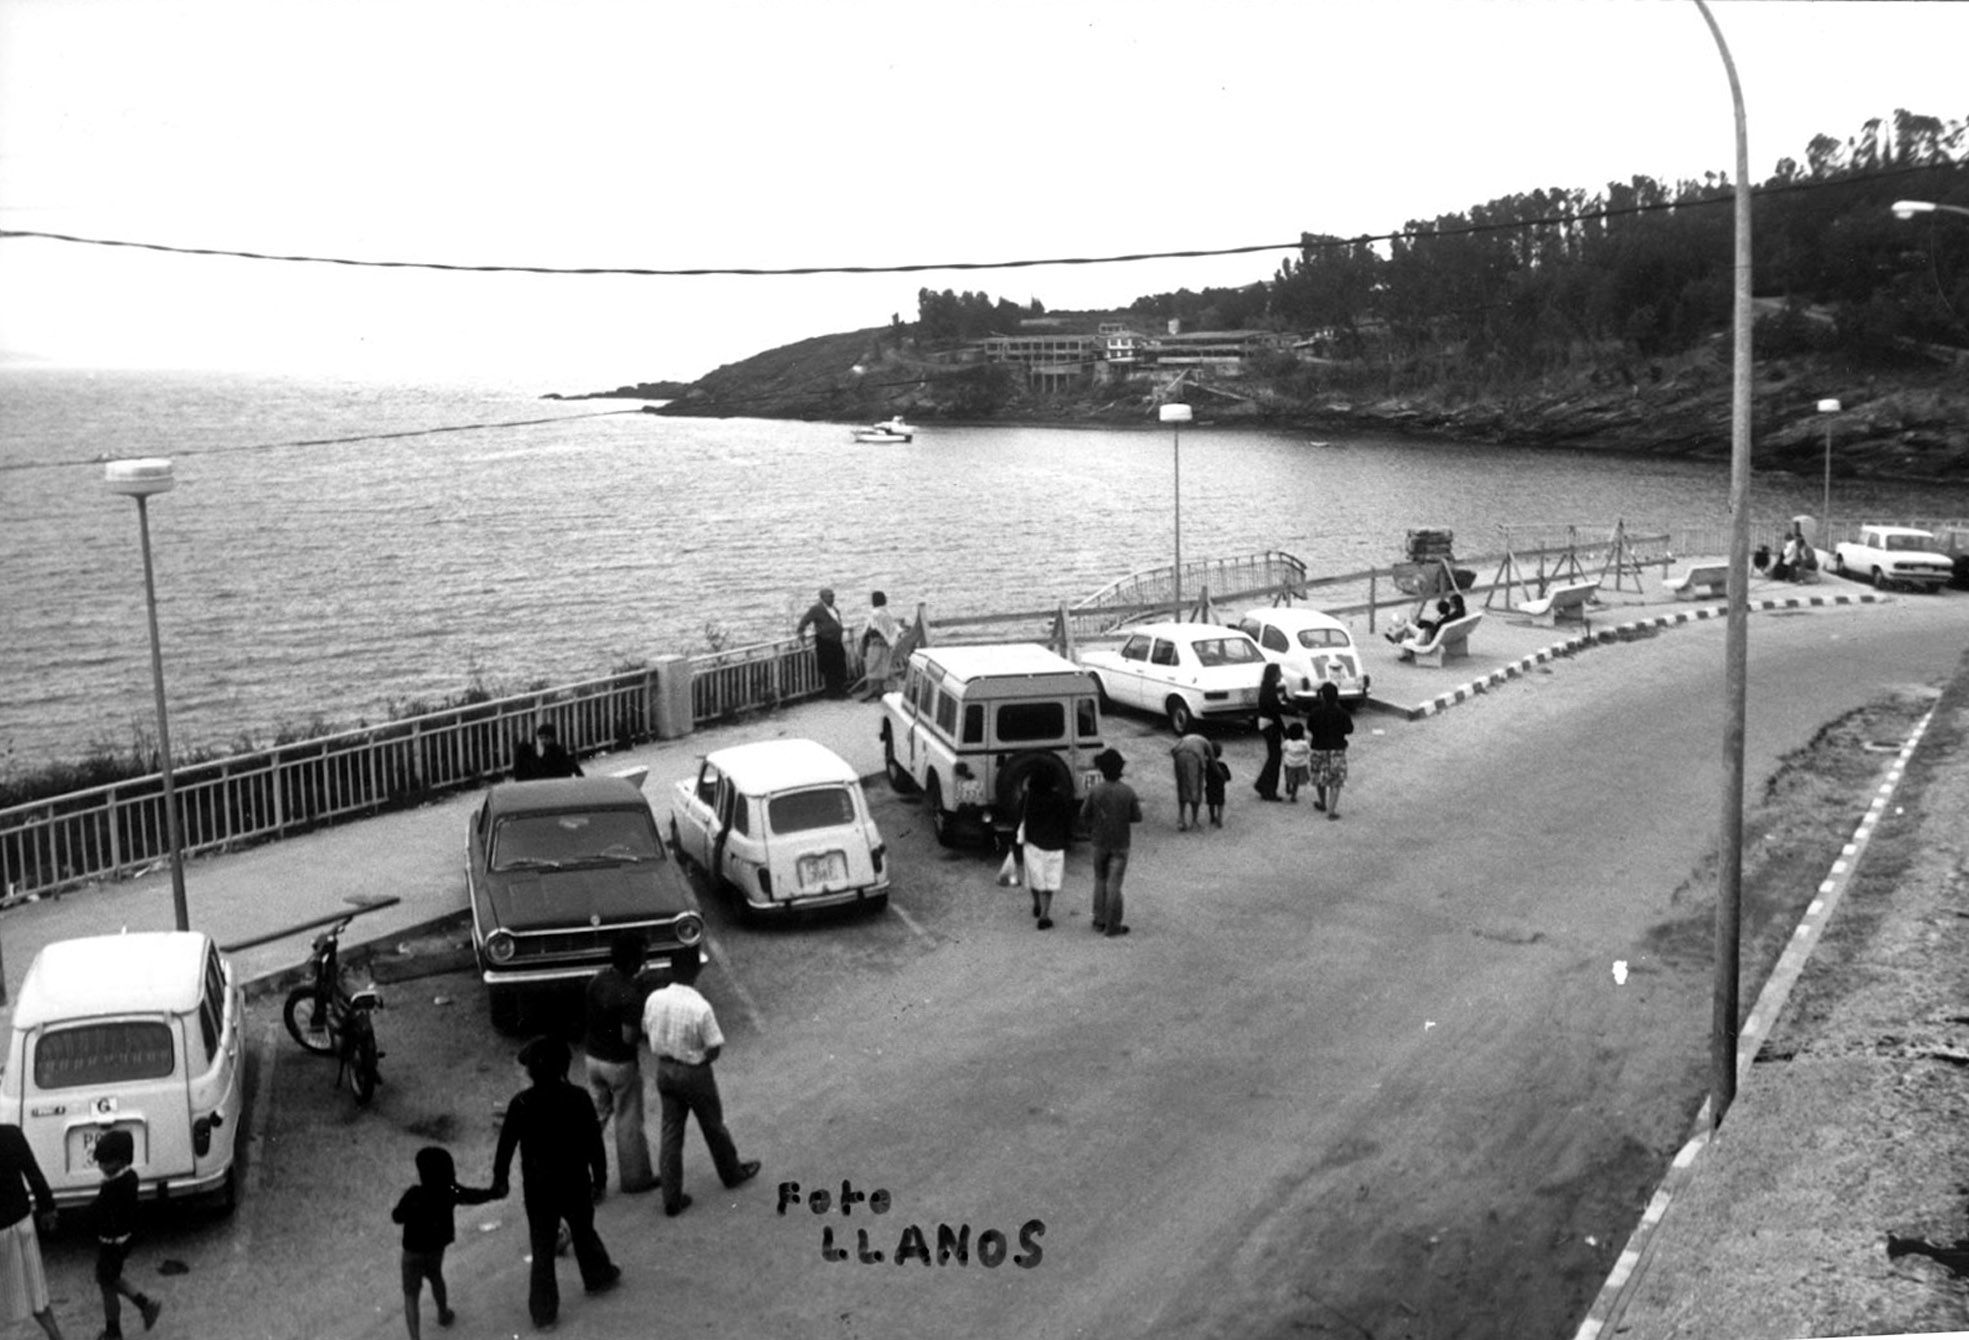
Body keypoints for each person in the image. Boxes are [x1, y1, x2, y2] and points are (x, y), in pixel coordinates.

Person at [491, 1036, 621, 1331]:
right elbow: (593, 1143)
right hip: (574, 1181)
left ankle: (544, 1313)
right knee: (583, 1230)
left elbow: (506, 1146)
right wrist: (600, 1178)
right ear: (564, 1067)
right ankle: (597, 1276)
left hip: (538, 1188)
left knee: (542, 1246)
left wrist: (500, 1181)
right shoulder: (578, 1098)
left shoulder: (521, 1103)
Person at [640, 948, 762, 1219]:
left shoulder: (654, 999)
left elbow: (646, 1029)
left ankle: (671, 1197)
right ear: (696, 972)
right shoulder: (700, 1007)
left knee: (671, 1132)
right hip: (694, 1071)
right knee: (713, 1125)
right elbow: (714, 1046)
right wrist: (700, 1059)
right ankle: (732, 1173)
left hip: (665, 1068)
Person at [393, 1146, 502, 1339]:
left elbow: (397, 1216)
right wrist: (493, 1193)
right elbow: (472, 1196)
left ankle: (415, 1338)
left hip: (412, 1251)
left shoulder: (414, 1194)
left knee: (411, 1295)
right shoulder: (449, 1190)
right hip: (435, 1248)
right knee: (436, 1277)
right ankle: (443, 1313)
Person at [583, 932, 658, 1196]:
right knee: (627, 1119)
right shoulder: (630, 996)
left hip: (593, 1058)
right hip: (619, 1065)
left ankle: (581, 1177)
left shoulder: (599, 979)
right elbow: (629, 1037)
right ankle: (636, 1178)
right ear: (633, 961)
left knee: (596, 1118)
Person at [90, 1129, 161, 1340]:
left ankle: (117, 1327)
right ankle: (139, 1308)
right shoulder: (131, 1178)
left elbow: (100, 1211)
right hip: (122, 1241)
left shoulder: (113, 1187)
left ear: (119, 1161)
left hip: (111, 1242)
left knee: (107, 1282)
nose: (101, 1167)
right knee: (110, 1280)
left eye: (105, 1162)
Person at [0, 1123, 65, 1340]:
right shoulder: (11, 1134)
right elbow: (33, 1172)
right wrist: (48, 1208)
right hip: (22, 1222)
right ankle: (55, 1336)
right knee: (35, 1289)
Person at [1080, 748, 1141, 937]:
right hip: (1120, 842)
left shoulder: (1095, 790)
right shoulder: (1127, 792)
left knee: (1100, 879)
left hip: (1099, 841)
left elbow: (1084, 814)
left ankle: (1099, 919)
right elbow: (1137, 817)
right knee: (1114, 884)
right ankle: (1113, 925)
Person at [1018, 768, 1073, 930]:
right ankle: (1044, 915)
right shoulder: (1058, 799)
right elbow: (1067, 821)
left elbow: (1018, 817)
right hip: (1054, 845)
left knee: (1034, 876)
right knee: (1049, 882)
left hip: (1032, 844)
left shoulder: (1028, 798)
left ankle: (1036, 904)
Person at [1306, 681, 1355, 820]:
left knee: (1319, 777)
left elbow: (1310, 727)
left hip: (1318, 748)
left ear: (1322, 696)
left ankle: (1322, 802)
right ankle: (1331, 811)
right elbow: (1349, 729)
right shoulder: (1342, 713)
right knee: (1335, 780)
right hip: (1336, 749)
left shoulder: (1315, 712)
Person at [796, 588, 849, 699]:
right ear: (823, 597)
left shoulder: (834, 609)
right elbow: (805, 620)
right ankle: (833, 692)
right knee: (830, 667)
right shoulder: (816, 609)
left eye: (833, 596)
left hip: (836, 641)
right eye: (830, 596)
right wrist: (800, 631)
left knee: (840, 665)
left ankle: (841, 690)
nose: (832, 598)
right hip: (825, 641)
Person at [857, 591, 904, 701]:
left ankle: (873, 690)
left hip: (875, 643)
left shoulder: (875, 613)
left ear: (874, 601)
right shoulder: (886, 612)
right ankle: (879, 690)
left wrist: (864, 639)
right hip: (885, 644)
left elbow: (871, 629)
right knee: (882, 667)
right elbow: (892, 628)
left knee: (873, 667)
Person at [1253, 664, 1288, 802]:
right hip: (1269, 724)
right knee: (1275, 757)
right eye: (1279, 673)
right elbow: (1276, 710)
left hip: (1266, 723)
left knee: (1274, 756)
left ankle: (1263, 784)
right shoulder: (1270, 689)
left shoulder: (1267, 688)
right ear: (1274, 674)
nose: (1281, 675)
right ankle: (1268, 789)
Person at [1168, 732, 1211, 831]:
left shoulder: (1188, 738)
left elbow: (1174, 750)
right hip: (1194, 758)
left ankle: (1181, 817)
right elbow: (1213, 761)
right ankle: (1194, 820)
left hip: (1179, 755)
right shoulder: (1206, 743)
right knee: (1195, 789)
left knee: (1182, 787)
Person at [514, 722, 582, 781]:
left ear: (553, 738)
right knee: (524, 749)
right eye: (541, 738)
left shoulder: (557, 751)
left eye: (546, 738)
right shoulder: (548, 750)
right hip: (546, 777)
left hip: (551, 780)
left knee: (524, 749)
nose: (543, 741)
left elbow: (572, 765)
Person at [1281, 721, 1313, 802]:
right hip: (1300, 764)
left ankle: (1288, 785)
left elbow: (1283, 749)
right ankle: (1293, 795)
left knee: (1288, 775)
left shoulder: (1287, 742)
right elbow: (1308, 751)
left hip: (1289, 763)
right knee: (1296, 781)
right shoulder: (1304, 743)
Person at [1203, 742, 1231, 829]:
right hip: (1220, 788)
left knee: (1211, 803)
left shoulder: (1206, 765)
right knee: (1220, 803)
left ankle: (1212, 817)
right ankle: (1220, 818)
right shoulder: (1222, 765)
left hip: (1209, 787)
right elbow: (1228, 777)